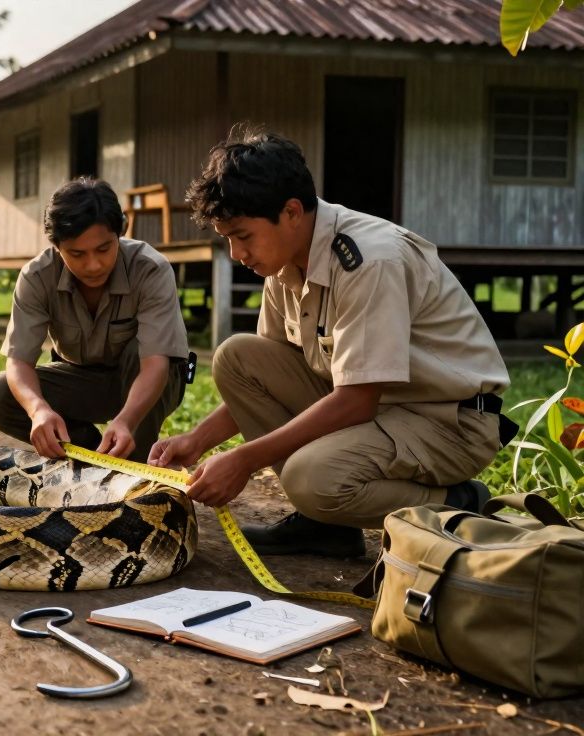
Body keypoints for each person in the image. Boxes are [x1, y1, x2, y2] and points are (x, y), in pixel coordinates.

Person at [148, 128, 516, 557]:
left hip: (446, 421)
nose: (235, 253)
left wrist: (244, 460)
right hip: (380, 407)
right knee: (236, 359)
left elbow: (357, 399)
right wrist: (196, 440)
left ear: (290, 212)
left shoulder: (369, 260)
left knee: (312, 479)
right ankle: (326, 526)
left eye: (243, 235)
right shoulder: (283, 264)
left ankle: (457, 505)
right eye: (226, 238)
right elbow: (266, 378)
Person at [0, 178, 191, 463]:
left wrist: (125, 420)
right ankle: (88, 451)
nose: (93, 265)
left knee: (138, 356)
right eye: (76, 254)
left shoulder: (150, 269)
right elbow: (18, 362)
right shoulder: (37, 276)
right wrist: (38, 409)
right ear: (56, 247)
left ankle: (133, 461)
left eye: (104, 249)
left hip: (149, 380)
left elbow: (155, 364)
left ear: (120, 233)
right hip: (81, 380)